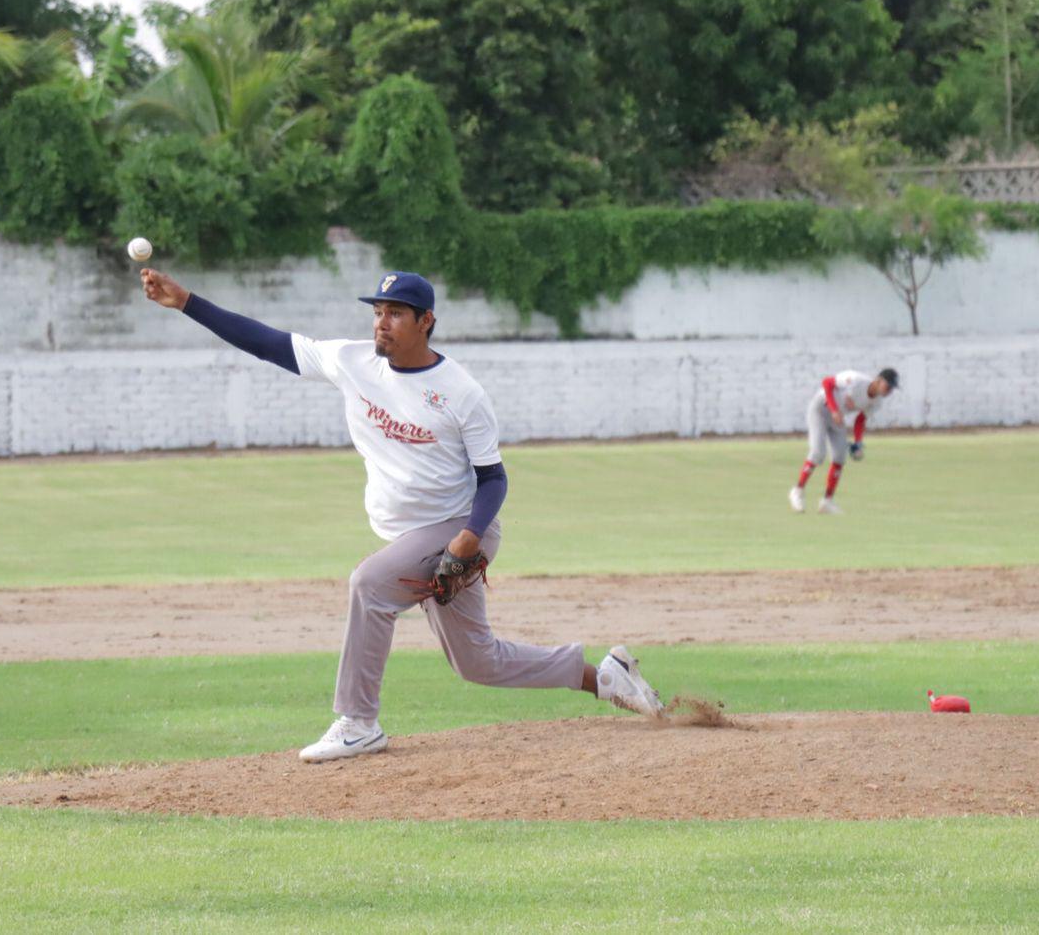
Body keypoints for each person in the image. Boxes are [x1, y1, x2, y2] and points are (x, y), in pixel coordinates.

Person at [140, 267, 664, 762]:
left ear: (425, 322)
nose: (381, 323)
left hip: (458, 529)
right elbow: (268, 342)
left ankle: (358, 722)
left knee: (369, 584)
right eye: (377, 312)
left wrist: (468, 538)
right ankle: (606, 677)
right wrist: (185, 302)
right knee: (477, 662)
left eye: (395, 313)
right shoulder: (351, 362)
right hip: (411, 537)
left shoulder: (461, 392)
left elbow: (494, 479)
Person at [789, 368, 898, 515]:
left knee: (840, 456)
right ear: (878, 381)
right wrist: (834, 410)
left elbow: (860, 420)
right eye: (888, 386)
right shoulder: (855, 379)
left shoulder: (877, 402)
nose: (889, 390)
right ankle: (798, 491)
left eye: (892, 388)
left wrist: (858, 443)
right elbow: (827, 383)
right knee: (818, 453)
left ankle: (827, 501)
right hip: (820, 409)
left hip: (838, 417)